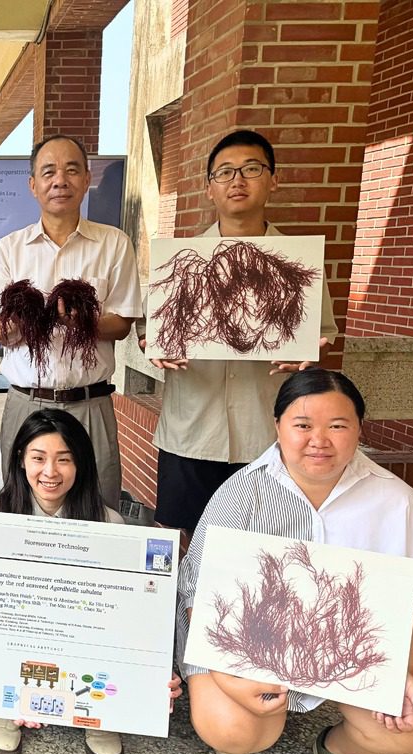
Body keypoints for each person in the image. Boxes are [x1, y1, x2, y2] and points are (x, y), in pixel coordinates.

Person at [177, 369, 413, 754]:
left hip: (358, 649)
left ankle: (336, 746)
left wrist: (397, 668)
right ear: (278, 426)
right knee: (233, 730)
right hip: (256, 643)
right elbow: (198, 586)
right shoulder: (242, 492)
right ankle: (253, 724)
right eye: (303, 425)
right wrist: (230, 673)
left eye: (338, 426)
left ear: (360, 429)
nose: (319, 440)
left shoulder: (398, 502)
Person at [146, 130, 340, 538]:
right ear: (208, 189)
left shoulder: (298, 264)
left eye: (252, 169)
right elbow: (154, 334)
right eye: (225, 172)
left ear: (273, 180)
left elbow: (322, 334)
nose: (238, 181)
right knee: (185, 545)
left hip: (265, 436)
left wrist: (309, 353)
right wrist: (154, 345)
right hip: (191, 432)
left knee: (262, 549)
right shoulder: (178, 263)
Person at [0, 409, 182, 754]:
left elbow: (132, 613)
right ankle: (5, 703)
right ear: (19, 460)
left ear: (82, 464)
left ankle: (101, 716)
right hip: (22, 631)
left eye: (64, 460)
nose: (50, 472)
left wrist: (154, 665)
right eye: (38, 458)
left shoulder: (110, 524)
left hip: (83, 633)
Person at [0, 134, 143, 512]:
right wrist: (32, 322)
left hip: (90, 403)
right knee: (18, 507)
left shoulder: (114, 244)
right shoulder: (8, 250)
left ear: (87, 179)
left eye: (72, 170)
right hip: (27, 402)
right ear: (33, 184)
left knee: (98, 507)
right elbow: (2, 333)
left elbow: (121, 324)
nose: (60, 180)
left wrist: (81, 322)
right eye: (49, 172)